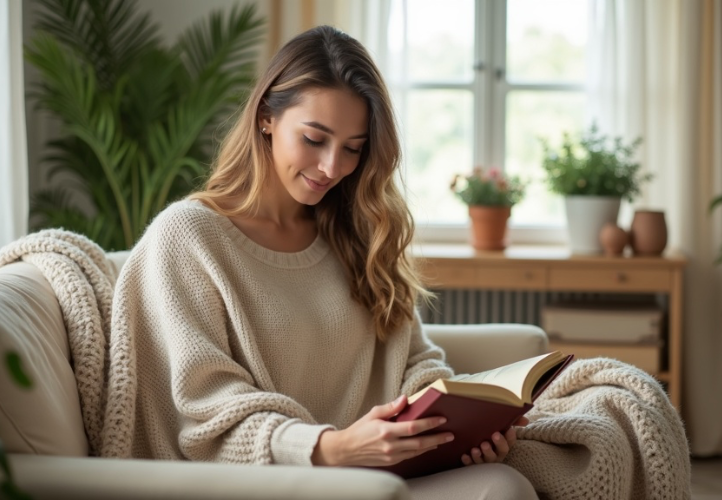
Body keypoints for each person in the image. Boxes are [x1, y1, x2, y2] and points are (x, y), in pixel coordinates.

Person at [111, 25, 537, 499]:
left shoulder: (357, 230)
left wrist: (451, 425)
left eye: (353, 148)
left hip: (385, 474)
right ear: (267, 118)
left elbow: (413, 358)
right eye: (315, 139)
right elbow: (206, 410)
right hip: (269, 482)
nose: (333, 167)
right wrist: (331, 448)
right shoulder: (188, 238)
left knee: (503, 483)